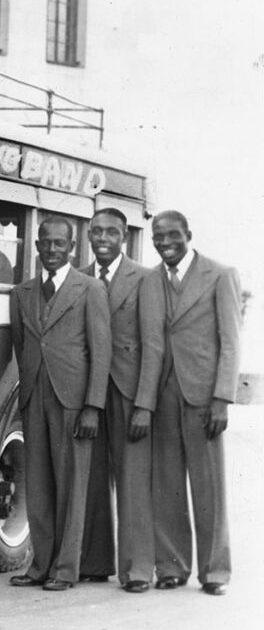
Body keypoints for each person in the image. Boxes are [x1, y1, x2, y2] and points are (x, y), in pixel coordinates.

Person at [8, 216, 111, 591]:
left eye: (59, 244)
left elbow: (102, 352)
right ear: (36, 247)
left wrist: (92, 407)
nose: (52, 250)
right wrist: (28, 391)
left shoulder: (90, 288)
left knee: (72, 486)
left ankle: (66, 569)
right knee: (38, 486)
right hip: (36, 396)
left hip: (74, 401)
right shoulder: (21, 293)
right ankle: (40, 566)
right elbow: (22, 347)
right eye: (45, 243)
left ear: (71, 248)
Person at [144, 210, 241, 595]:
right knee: (166, 486)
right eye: (157, 237)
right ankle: (171, 567)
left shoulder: (219, 274)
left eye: (172, 235)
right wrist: (145, 402)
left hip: (203, 397)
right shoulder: (153, 279)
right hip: (164, 394)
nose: (164, 243)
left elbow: (231, 341)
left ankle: (215, 573)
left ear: (188, 234)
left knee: (209, 490)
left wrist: (222, 398)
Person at [76, 209, 164, 592]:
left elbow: (154, 345)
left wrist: (145, 403)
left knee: (132, 478)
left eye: (111, 232)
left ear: (124, 236)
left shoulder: (145, 279)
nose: (102, 239)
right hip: (89, 393)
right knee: (91, 477)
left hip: (129, 392)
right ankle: (94, 562)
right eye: (96, 232)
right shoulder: (78, 277)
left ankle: (138, 569)